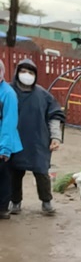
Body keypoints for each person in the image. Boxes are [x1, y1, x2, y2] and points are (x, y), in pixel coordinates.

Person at [7, 58, 64, 216]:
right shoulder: (8, 92)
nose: (27, 75)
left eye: (30, 72)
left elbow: (54, 116)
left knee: (41, 172)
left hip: (38, 140)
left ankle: (46, 201)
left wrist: (55, 137)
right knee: (14, 173)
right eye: (23, 71)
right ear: (17, 73)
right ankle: (15, 201)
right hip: (14, 139)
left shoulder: (43, 95)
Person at [0, 60, 24, 219]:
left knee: (4, 178)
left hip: (5, 144)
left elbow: (9, 123)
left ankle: (2, 208)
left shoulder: (8, 94)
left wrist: (5, 148)